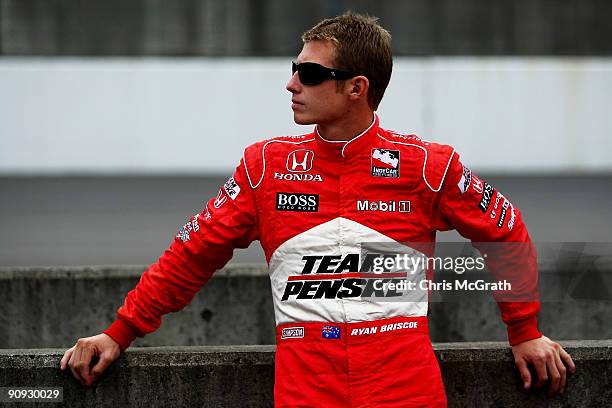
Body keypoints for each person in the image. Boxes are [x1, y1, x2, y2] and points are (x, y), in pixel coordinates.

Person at [61, 12, 575, 407]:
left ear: (357, 88)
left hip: (405, 390)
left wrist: (524, 332)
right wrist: (120, 330)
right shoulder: (264, 166)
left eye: (308, 73)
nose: (291, 84)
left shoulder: (425, 165)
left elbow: (506, 231)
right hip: (306, 391)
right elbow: (192, 254)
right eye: (294, 70)